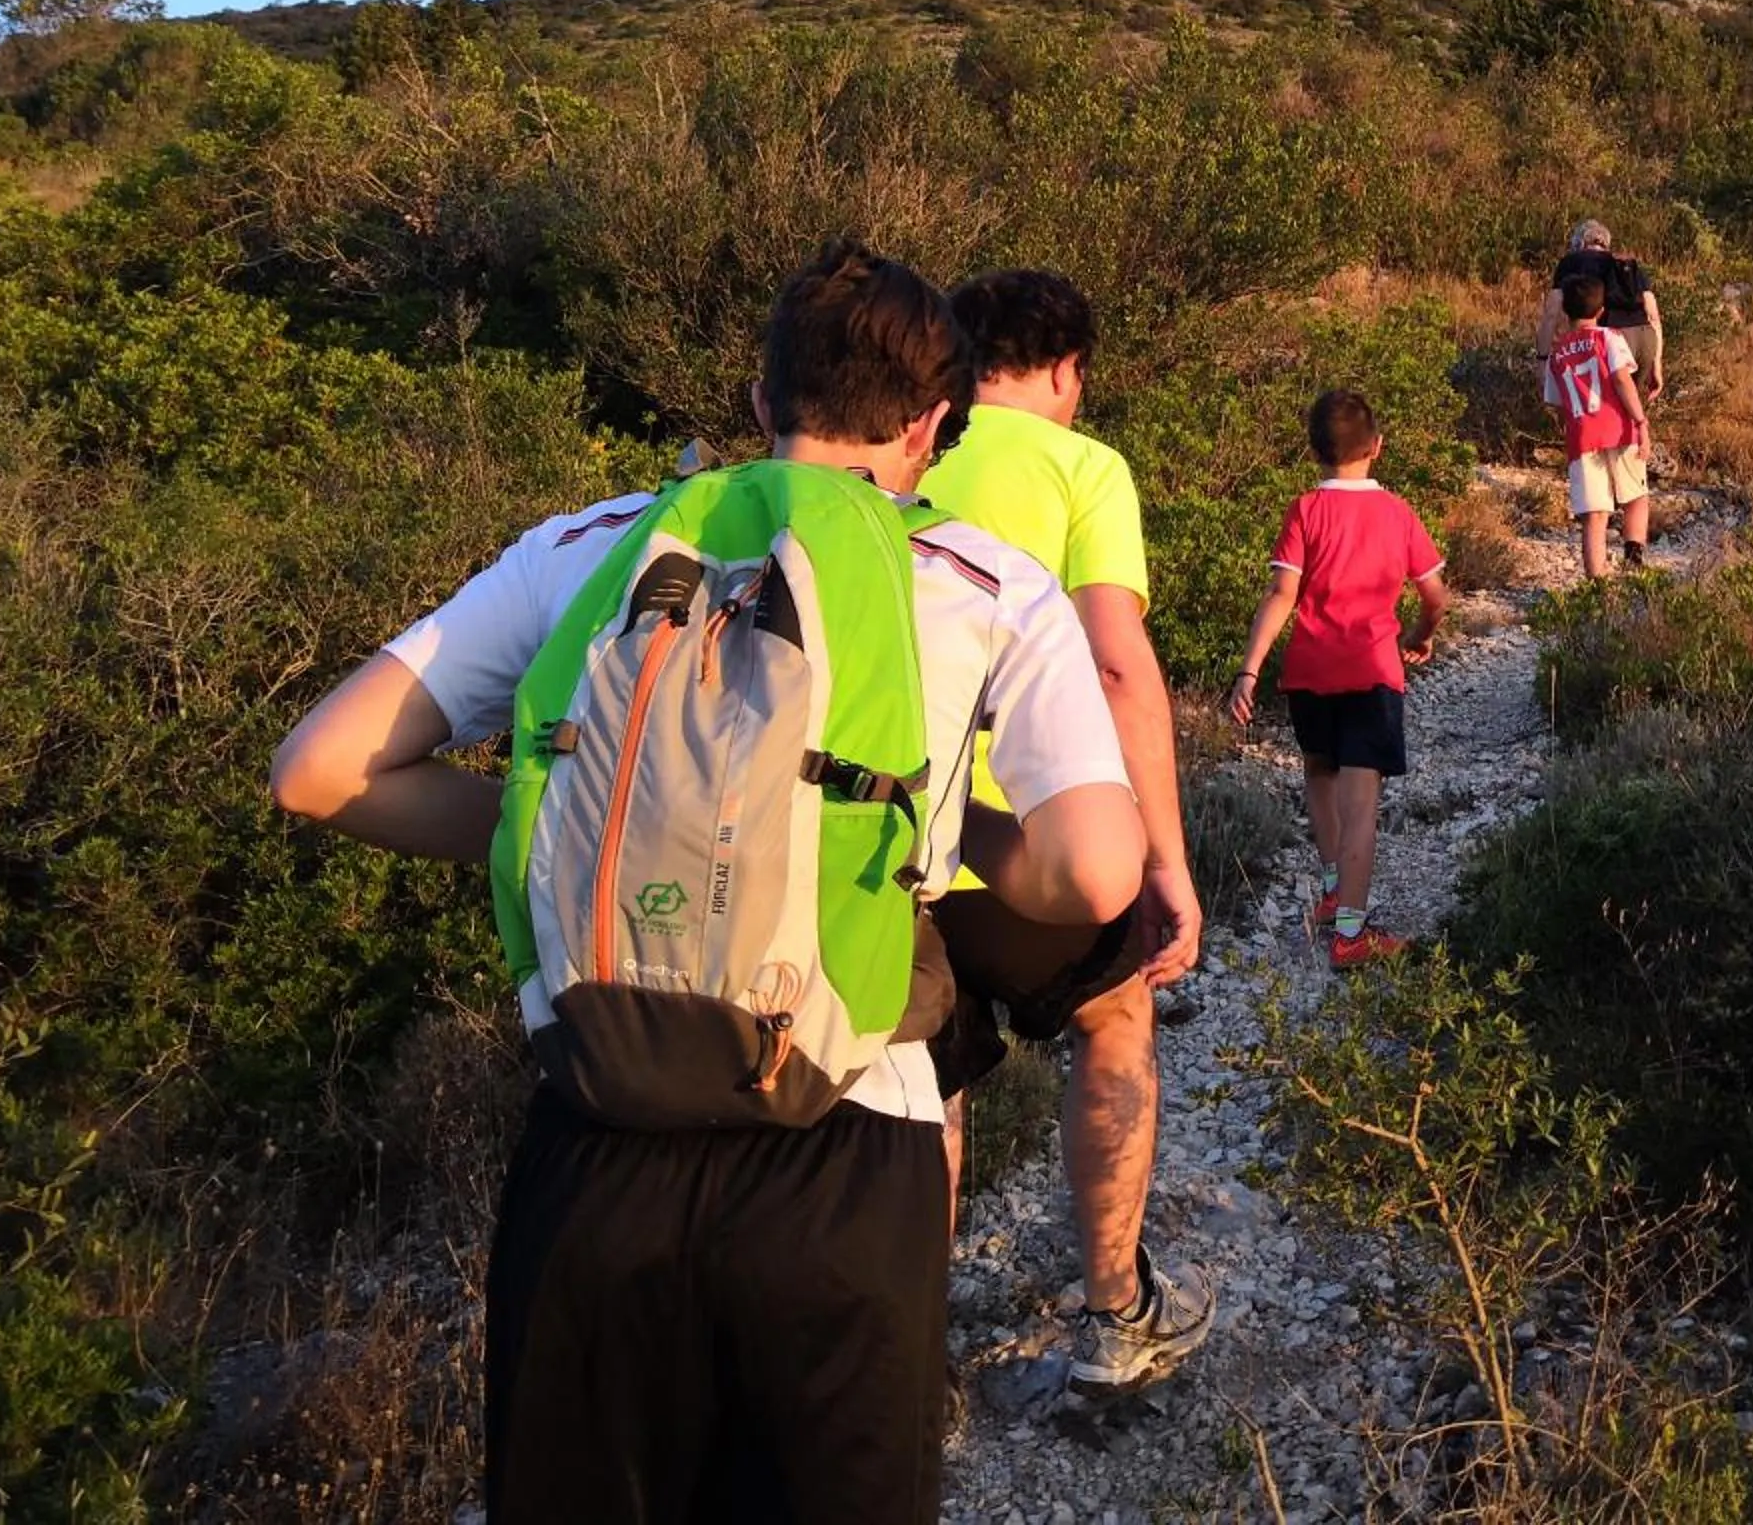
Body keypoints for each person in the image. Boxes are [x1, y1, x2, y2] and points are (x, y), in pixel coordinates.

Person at [268, 243, 1148, 1523]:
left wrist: (553, 825)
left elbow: (318, 770)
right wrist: (927, 845)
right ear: (929, 427)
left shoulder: (587, 548)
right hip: (851, 1142)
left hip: (595, 1132)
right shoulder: (982, 583)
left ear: (757, 401)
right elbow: (1091, 870)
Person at [915, 268, 1213, 1394]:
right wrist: (1166, 863)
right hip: (1034, 837)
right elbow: (1120, 666)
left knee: (923, 1078)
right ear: (1063, 370)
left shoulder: (907, 449)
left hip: (894, 827)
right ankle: (1113, 1314)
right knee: (1115, 1014)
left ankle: (914, 1366)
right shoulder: (1085, 468)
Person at [1222, 391, 1451, 969]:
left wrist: (1249, 669)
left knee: (1319, 775)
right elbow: (1434, 594)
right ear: (1377, 447)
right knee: (1362, 807)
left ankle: (1331, 890)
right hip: (1371, 672)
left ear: (1314, 450)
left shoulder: (1304, 510)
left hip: (1310, 672)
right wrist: (1422, 632)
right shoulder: (1396, 513)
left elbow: (1281, 594)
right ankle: (1351, 932)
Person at [1545, 270, 1653, 578]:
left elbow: (1555, 400)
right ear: (1602, 310)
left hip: (1582, 439)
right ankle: (1634, 563)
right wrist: (1641, 421)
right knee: (1635, 496)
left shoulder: (1557, 353)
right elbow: (1621, 380)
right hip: (1619, 430)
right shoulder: (1609, 338)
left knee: (1595, 514)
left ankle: (1597, 581)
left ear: (1565, 311)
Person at [1539, 217, 1664, 402]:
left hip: (1614, 339)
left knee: (1602, 407)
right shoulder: (1627, 265)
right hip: (1646, 340)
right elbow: (1654, 317)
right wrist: (1657, 364)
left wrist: (1542, 359)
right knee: (1629, 405)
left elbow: (1551, 313)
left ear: (1579, 243)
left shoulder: (1571, 262)